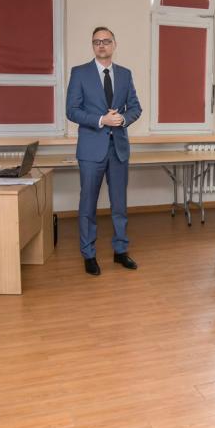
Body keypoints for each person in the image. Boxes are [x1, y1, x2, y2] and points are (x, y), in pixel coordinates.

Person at [66, 26, 142, 276]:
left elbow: (135, 107)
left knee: (119, 204)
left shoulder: (125, 74)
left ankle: (120, 250)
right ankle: (88, 254)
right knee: (88, 204)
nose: (101, 45)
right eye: (97, 41)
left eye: (106, 41)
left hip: (118, 149)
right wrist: (101, 120)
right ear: (92, 46)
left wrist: (123, 119)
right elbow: (72, 110)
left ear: (114, 44)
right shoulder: (79, 73)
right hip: (91, 150)